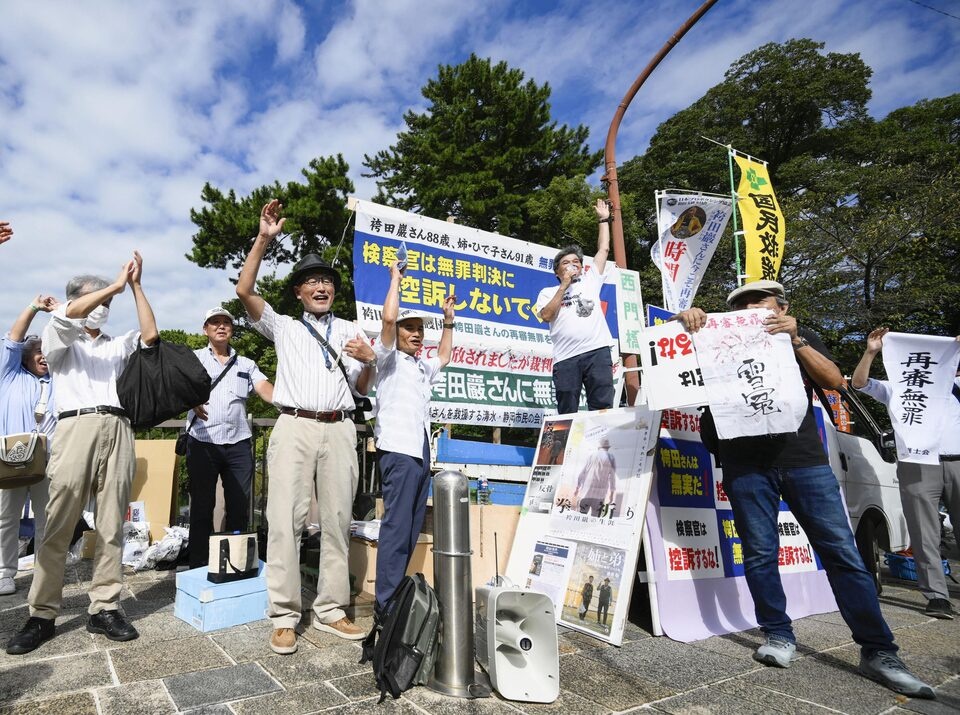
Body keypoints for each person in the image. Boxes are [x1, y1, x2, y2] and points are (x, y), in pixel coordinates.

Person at [674, 280, 935, 700]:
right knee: (759, 553)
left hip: (805, 462)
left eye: (759, 301)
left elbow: (835, 382)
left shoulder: (800, 336)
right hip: (745, 465)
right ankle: (778, 634)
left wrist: (796, 339)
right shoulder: (713, 338)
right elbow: (670, 368)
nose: (751, 308)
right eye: (740, 304)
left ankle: (879, 650)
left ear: (783, 305)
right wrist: (685, 325)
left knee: (842, 552)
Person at [237, 199, 376, 654]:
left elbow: (363, 387)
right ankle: (283, 614)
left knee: (338, 520)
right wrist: (264, 238)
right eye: (311, 282)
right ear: (297, 291)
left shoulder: (353, 330)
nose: (321, 286)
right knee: (284, 521)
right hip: (293, 426)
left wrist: (370, 362)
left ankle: (333, 609)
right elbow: (244, 290)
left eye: (326, 281)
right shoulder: (284, 328)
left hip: (339, 428)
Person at [6, 253, 159, 655]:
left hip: (119, 426)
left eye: (108, 304)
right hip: (75, 427)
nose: (104, 309)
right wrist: (114, 285)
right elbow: (70, 313)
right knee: (58, 524)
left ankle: (105, 606)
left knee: (111, 524)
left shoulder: (117, 344)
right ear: (78, 302)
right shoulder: (58, 336)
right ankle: (41, 613)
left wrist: (136, 287)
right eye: (97, 302)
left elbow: (150, 336)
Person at [852, 327, 960, 620]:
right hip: (917, 464)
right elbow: (859, 383)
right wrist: (871, 350)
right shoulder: (899, 387)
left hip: (958, 461)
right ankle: (937, 595)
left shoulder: (956, 384)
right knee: (924, 532)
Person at [372, 261, 454, 614]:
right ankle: (385, 604)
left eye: (421, 329)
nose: (417, 334)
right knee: (396, 526)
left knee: (410, 528)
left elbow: (445, 356)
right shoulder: (386, 358)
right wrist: (396, 280)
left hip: (421, 452)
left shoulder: (421, 366)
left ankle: (398, 596)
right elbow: (388, 321)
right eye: (410, 328)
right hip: (398, 450)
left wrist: (448, 319)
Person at [184, 307, 274, 570]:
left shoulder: (246, 364)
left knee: (239, 506)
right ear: (206, 329)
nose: (221, 327)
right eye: (215, 323)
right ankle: (200, 565)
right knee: (202, 506)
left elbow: (264, 388)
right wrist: (189, 398)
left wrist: (289, 402)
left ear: (232, 329)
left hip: (238, 445)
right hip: (202, 442)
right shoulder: (193, 359)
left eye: (226, 323)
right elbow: (175, 387)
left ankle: (236, 564)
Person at [0, 294, 59, 595]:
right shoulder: (9, 375)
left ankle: (44, 573)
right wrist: (35, 307)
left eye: (47, 350)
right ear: (25, 357)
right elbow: (13, 338)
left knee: (47, 520)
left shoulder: (59, 380)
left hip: (49, 458)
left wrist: (62, 313)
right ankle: (4, 573)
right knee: (5, 518)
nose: (44, 355)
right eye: (38, 351)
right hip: (10, 455)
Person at [534, 199, 615, 415]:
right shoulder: (548, 292)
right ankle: (569, 447)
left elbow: (604, 249)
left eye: (576, 262)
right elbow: (547, 316)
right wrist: (564, 287)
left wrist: (603, 219)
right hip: (566, 357)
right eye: (566, 263)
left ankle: (602, 447)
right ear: (557, 271)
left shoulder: (590, 280)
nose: (573, 265)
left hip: (597, 351)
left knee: (602, 407)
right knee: (567, 411)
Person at [574, 437, 616, 516]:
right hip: (600, 495)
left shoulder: (591, 456)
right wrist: (611, 494)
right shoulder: (611, 458)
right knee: (595, 517)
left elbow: (582, 472)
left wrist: (577, 487)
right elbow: (612, 478)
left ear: (599, 447)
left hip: (586, 492)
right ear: (607, 448)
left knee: (581, 516)